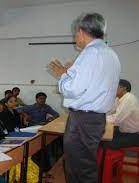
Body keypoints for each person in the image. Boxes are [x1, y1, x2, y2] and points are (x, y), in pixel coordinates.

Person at [48, 13, 121, 183]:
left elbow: (73, 90)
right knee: (85, 166)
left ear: (81, 31)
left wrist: (63, 75)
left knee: (78, 169)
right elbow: (91, 85)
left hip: (83, 119)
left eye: (75, 33)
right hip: (95, 119)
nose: (75, 37)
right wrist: (70, 73)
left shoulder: (91, 53)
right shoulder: (110, 53)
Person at [105, 79, 139, 149]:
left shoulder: (129, 98)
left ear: (124, 88)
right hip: (123, 132)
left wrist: (99, 119)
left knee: (107, 143)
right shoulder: (118, 99)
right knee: (101, 139)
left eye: (115, 87)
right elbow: (109, 112)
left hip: (134, 135)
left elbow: (116, 119)